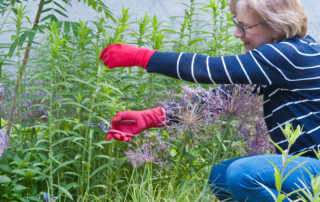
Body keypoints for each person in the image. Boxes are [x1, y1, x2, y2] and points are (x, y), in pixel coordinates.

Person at [99, 0, 320, 201]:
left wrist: (144, 57)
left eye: (244, 26)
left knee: (242, 174)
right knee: (221, 177)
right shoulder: (287, 58)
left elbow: (210, 69)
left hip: (315, 167)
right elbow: (221, 98)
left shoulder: (289, 54)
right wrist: (151, 117)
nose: (236, 33)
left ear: (276, 25)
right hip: (307, 167)